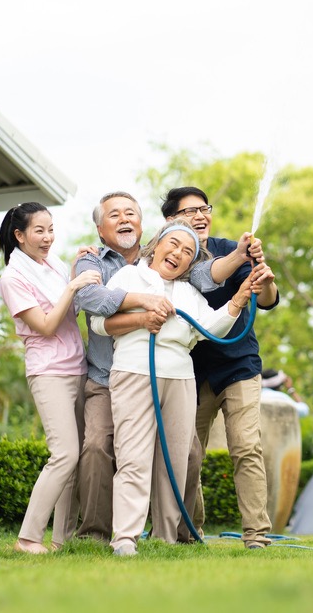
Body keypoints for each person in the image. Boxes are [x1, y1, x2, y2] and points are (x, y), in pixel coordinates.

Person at [72, 192, 265, 543]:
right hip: (133, 374)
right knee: (133, 457)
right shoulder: (128, 277)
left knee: (176, 463)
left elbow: (209, 328)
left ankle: (166, 537)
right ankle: (124, 539)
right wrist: (142, 317)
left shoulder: (189, 291)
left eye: (187, 252)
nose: (177, 254)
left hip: (181, 379)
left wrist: (238, 299)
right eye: (172, 245)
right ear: (156, 245)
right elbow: (99, 324)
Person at [160, 186, 280, 550]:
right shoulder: (173, 259)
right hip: (190, 371)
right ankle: (190, 531)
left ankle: (256, 535)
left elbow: (269, 301)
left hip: (238, 364)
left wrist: (267, 281)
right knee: (186, 452)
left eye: (204, 208)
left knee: (246, 446)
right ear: (170, 221)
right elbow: (208, 274)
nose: (200, 216)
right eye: (189, 211)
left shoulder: (231, 247)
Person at [0, 202, 102, 555]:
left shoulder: (53, 264)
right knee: (64, 454)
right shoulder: (13, 278)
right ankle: (28, 538)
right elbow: (45, 324)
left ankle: (61, 540)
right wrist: (72, 286)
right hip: (49, 373)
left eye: (51, 229)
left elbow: (69, 299)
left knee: (75, 460)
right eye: (39, 231)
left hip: (78, 368)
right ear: (19, 235)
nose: (47, 237)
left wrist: (76, 263)